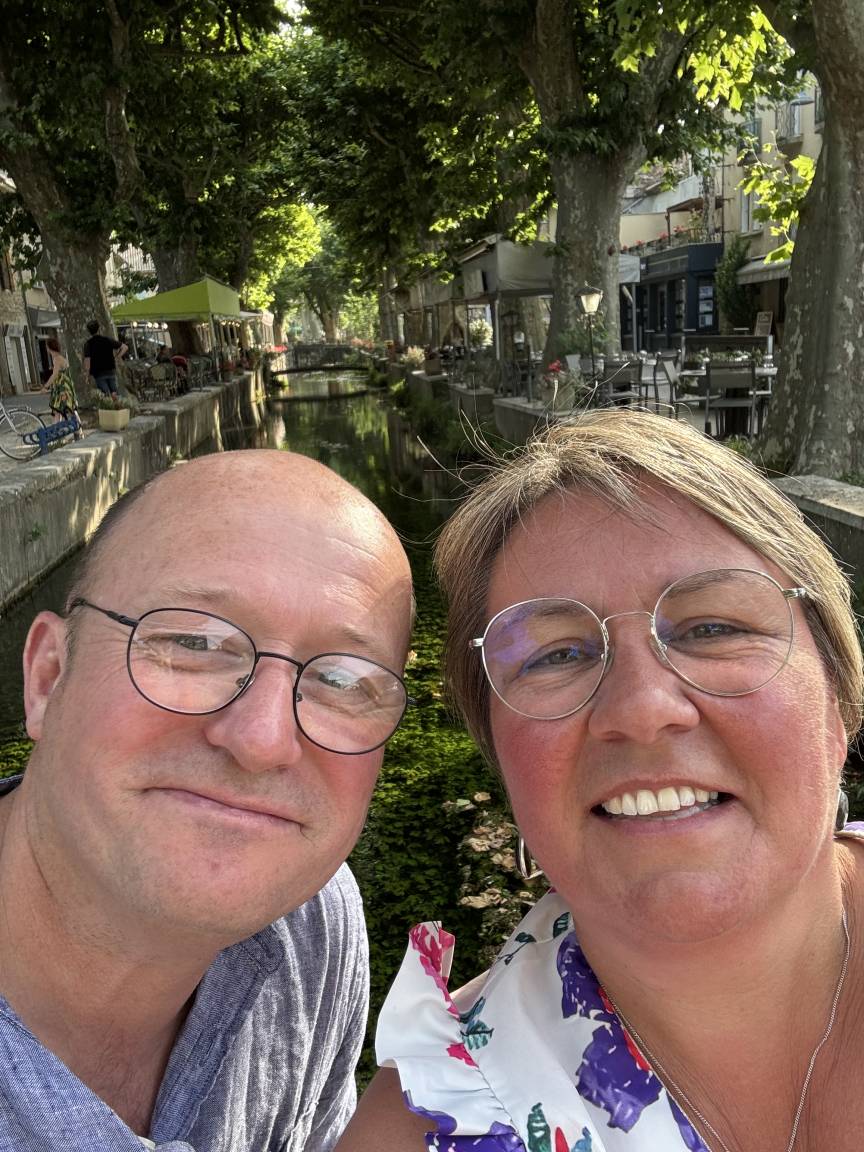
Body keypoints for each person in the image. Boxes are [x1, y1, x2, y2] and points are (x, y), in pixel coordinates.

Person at [338, 409, 864, 1152]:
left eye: (712, 628)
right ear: (501, 754)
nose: (641, 710)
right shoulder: (423, 1128)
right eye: (557, 654)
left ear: (839, 697)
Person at [1, 449, 414, 1151]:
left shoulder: (311, 924)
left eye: (344, 682)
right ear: (48, 677)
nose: (262, 739)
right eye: (194, 642)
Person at [42, 336, 82, 437]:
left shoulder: (57, 359)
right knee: (63, 410)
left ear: (49, 347)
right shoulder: (59, 358)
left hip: (62, 390)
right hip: (64, 388)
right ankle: (73, 431)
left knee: (64, 410)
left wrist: (46, 386)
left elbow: (55, 375)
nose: (46, 349)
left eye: (47, 346)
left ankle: (60, 433)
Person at [83, 319, 128, 398]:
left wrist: (87, 375)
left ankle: (110, 402)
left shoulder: (88, 344)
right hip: (110, 370)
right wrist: (117, 357)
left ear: (89, 331)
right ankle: (117, 403)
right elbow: (125, 347)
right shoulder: (107, 340)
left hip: (98, 373)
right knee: (114, 393)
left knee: (106, 395)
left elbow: (87, 361)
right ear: (99, 329)